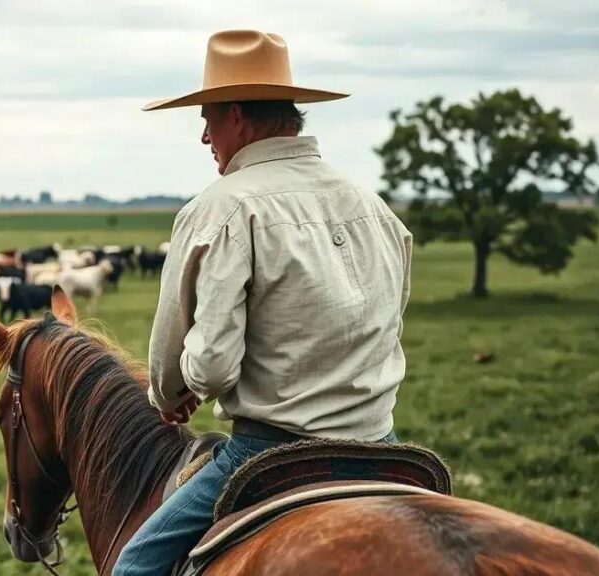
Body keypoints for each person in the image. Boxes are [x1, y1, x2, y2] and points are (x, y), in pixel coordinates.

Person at [113, 30, 413, 575]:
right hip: (383, 444)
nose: (205, 137)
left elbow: (210, 363)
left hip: (271, 454)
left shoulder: (223, 208)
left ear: (235, 116)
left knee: (133, 565)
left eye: (207, 119)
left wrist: (172, 393)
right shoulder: (371, 205)